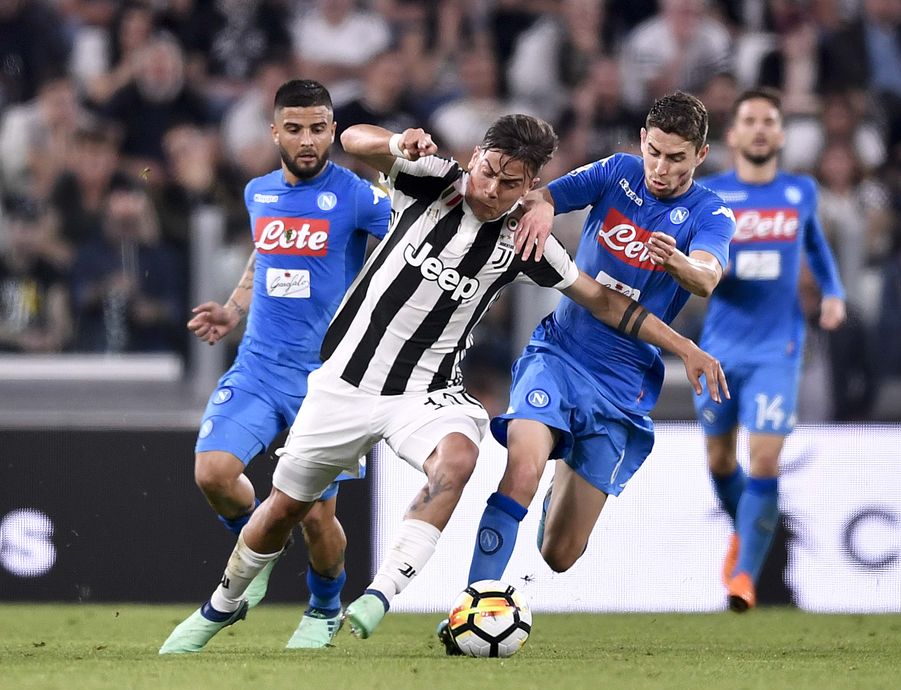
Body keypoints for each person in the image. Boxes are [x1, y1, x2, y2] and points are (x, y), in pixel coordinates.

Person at [160, 113, 725, 654]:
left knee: (458, 457)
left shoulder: (526, 242)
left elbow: (605, 302)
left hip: (424, 393)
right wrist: (394, 142)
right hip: (344, 384)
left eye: (511, 185)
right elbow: (353, 139)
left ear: (529, 188)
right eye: (488, 171)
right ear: (475, 156)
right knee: (286, 509)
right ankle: (219, 605)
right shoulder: (431, 179)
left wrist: (686, 348)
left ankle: (381, 594)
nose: (492, 190)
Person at [455, 91, 734, 652]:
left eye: (676, 158)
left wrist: (678, 262)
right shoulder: (617, 172)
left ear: (700, 155)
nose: (661, 167)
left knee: (560, 555)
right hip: (559, 353)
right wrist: (539, 206)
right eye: (654, 152)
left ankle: (566, 472)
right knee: (522, 468)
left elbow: (706, 276)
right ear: (641, 142)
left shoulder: (711, 213)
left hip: (621, 385)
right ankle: (472, 606)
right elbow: (546, 195)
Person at [182, 79, 391, 650]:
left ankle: (324, 608)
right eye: (294, 128)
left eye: (318, 128)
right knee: (213, 474)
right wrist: (232, 308)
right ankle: (259, 547)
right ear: (274, 130)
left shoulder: (356, 196)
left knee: (317, 517)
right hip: (257, 367)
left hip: (326, 382)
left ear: (332, 131)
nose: (306, 140)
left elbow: (411, 239)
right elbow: (266, 253)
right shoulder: (259, 193)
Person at [695, 88, 846, 612]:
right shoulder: (710, 193)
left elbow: (816, 248)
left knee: (763, 460)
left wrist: (833, 293)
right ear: (733, 136)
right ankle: (746, 533)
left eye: (769, 121)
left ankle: (742, 577)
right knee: (719, 459)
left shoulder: (800, 192)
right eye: (750, 121)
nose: (760, 129)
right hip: (719, 348)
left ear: (780, 134)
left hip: (777, 349)